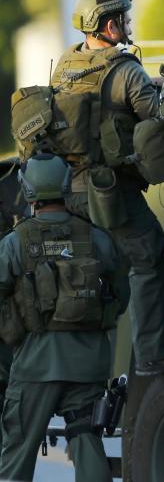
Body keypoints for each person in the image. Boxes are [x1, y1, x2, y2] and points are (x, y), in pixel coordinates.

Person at [51, 0, 164, 376]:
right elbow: (159, 116)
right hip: (109, 189)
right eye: (125, 19)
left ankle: (151, 313)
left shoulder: (66, 63)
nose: (128, 25)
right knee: (148, 254)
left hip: (70, 187)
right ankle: (153, 353)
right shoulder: (126, 70)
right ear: (110, 24)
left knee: (114, 264)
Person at [0, 153, 129, 482]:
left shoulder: (15, 243)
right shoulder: (96, 237)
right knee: (86, 438)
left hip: (36, 364)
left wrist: (12, 330)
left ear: (27, 191)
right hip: (88, 361)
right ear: (65, 185)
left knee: (19, 447)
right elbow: (120, 294)